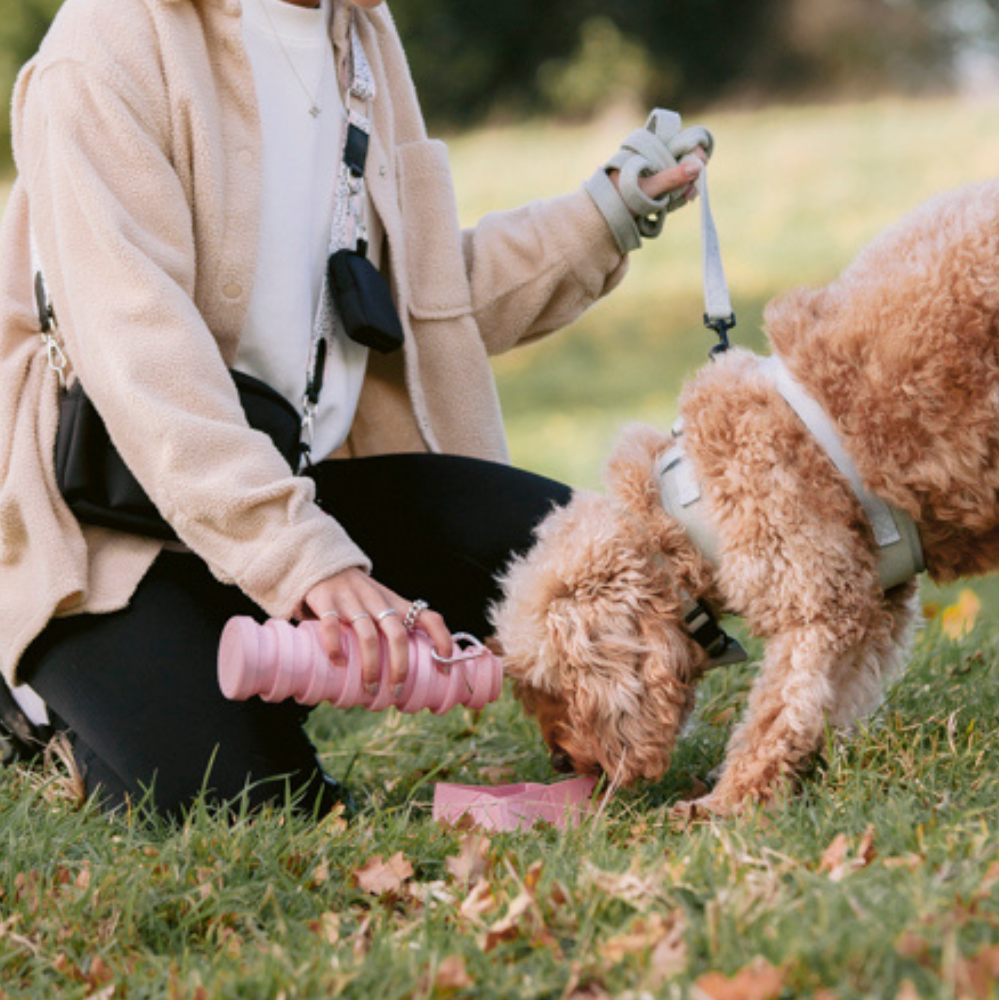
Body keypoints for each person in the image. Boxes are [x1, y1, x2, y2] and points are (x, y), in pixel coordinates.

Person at [0, 0, 708, 818]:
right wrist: (307, 562)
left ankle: (254, 672)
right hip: (108, 530)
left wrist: (603, 216)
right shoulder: (106, 43)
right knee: (246, 802)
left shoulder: (359, 33)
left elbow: (411, 299)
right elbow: (141, 363)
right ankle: (44, 707)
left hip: (299, 491)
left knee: (605, 574)